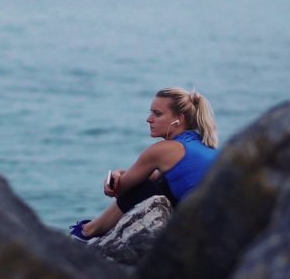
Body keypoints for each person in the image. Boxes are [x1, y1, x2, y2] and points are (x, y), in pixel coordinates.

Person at [69, 87, 219, 242]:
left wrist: (115, 183)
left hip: (198, 230)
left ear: (179, 120)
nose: (149, 119)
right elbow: (154, 176)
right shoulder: (200, 144)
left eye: (157, 114)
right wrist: (120, 173)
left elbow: (121, 190)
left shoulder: (163, 150)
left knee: (139, 189)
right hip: (218, 224)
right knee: (157, 184)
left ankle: (86, 232)